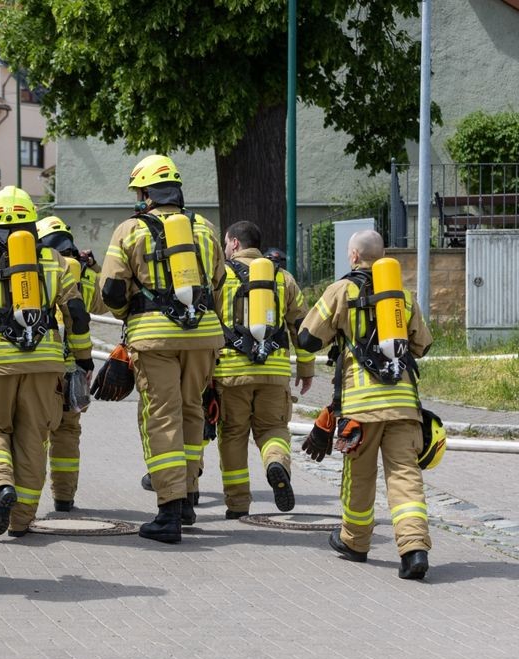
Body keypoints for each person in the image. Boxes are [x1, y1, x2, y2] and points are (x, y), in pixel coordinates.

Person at [99, 154, 225, 544]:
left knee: (162, 416)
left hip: (155, 337)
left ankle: (168, 512)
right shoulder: (205, 229)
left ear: (146, 193)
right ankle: (187, 498)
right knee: (191, 410)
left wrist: (129, 315)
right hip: (203, 334)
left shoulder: (130, 230)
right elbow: (220, 283)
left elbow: (111, 291)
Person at [297, 229, 433, 580]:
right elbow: (422, 346)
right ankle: (414, 549)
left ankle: (355, 542)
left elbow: (308, 338)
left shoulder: (341, 290)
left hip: (361, 405)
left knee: (359, 476)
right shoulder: (400, 294)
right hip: (403, 403)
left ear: (355, 256)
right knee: (405, 477)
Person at [0, 186, 92, 538]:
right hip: (44, 362)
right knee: (33, 439)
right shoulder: (55, 262)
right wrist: (83, 359)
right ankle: (21, 521)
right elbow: (77, 315)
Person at [212, 221, 315, 518]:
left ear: (233, 243)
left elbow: (208, 321)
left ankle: (237, 504)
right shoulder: (283, 278)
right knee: (273, 429)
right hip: (274, 371)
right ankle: (275, 463)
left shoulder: (221, 276)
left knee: (233, 434)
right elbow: (302, 326)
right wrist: (306, 369)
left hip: (231, 373)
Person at [36, 215, 106, 512]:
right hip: (76, 367)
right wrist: (95, 267)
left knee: (34, 430)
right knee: (67, 432)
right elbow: (104, 304)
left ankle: (24, 496)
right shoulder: (84, 274)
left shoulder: (39, 268)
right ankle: (64, 497)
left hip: (43, 364)